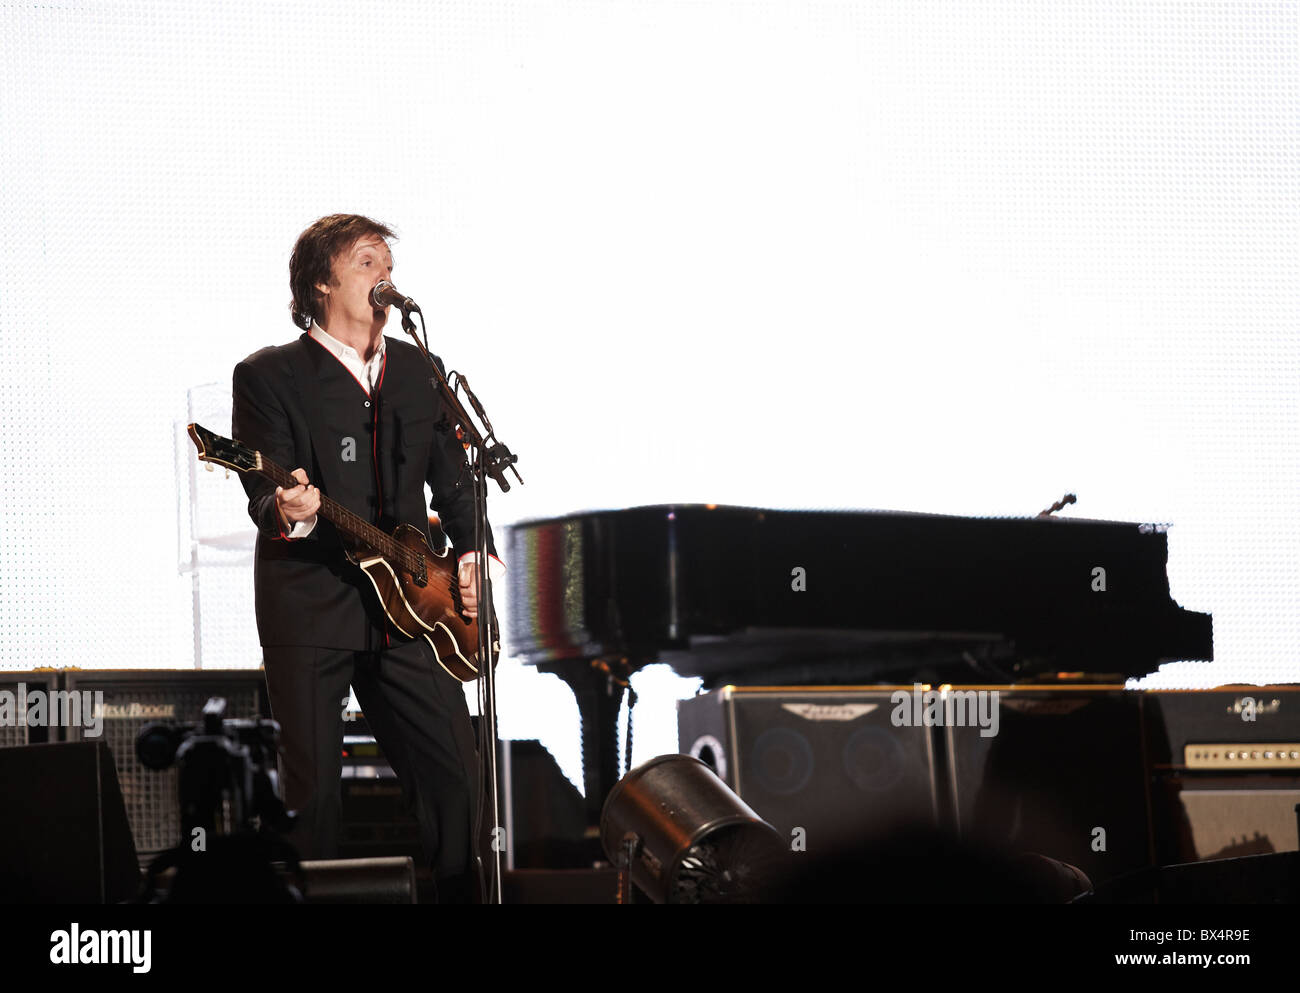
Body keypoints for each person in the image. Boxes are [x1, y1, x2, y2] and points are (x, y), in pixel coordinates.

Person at [231, 213, 502, 902]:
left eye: (387, 263)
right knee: (313, 798)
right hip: (312, 605)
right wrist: (284, 507)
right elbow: (266, 487)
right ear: (322, 282)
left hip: (411, 611)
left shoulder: (418, 370)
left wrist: (472, 551)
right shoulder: (270, 374)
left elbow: (453, 476)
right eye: (364, 262)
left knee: (455, 778)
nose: (383, 276)